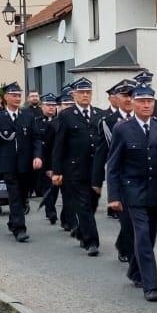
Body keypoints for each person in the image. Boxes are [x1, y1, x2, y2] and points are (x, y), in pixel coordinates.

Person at [107, 82, 157, 301]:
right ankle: (150, 285)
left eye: (150, 101)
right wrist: (114, 197)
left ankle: (135, 271)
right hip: (132, 191)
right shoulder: (122, 129)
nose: (146, 105)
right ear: (133, 103)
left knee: (150, 235)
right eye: (142, 101)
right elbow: (113, 166)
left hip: (155, 191)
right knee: (142, 236)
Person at [52, 78, 107, 255]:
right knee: (83, 205)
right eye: (81, 92)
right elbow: (59, 145)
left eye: (88, 92)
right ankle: (92, 242)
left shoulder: (99, 114)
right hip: (75, 169)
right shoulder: (66, 115)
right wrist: (57, 171)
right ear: (74, 94)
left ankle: (83, 231)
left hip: (95, 168)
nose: (85, 95)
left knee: (92, 204)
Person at [0, 83, 43, 242]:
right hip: (8, 164)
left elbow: (36, 139)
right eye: (14, 95)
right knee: (14, 196)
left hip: (26, 164)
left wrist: (37, 156)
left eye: (19, 95)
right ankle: (20, 228)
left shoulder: (28, 116)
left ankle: (12, 221)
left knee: (23, 196)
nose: (17, 98)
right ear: (6, 97)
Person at [96, 81, 138, 263]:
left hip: (141, 178)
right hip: (120, 178)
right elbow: (101, 153)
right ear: (116, 98)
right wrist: (96, 180)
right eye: (124, 96)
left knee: (138, 220)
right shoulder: (108, 122)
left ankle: (126, 245)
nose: (128, 100)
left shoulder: (144, 117)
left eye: (131, 96)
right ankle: (127, 248)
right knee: (127, 219)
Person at [37, 94, 62, 225]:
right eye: (48, 105)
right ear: (42, 106)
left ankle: (50, 209)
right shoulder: (36, 122)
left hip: (56, 160)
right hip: (42, 159)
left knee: (55, 188)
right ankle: (50, 211)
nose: (51, 108)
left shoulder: (60, 121)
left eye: (53, 105)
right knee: (47, 186)